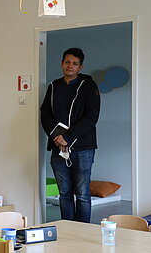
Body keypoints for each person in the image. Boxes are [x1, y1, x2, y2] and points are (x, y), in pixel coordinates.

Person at [40, 48, 101, 223]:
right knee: (64, 193)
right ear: (61, 64)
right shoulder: (54, 86)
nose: (70, 66)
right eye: (67, 62)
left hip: (83, 148)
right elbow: (45, 114)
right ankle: (67, 229)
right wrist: (57, 137)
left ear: (80, 67)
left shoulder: (89, 86)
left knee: (82, 194)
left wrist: (68, 137)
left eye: (74, 63)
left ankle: (82, 230)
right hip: (58, 148)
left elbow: (91, 117)